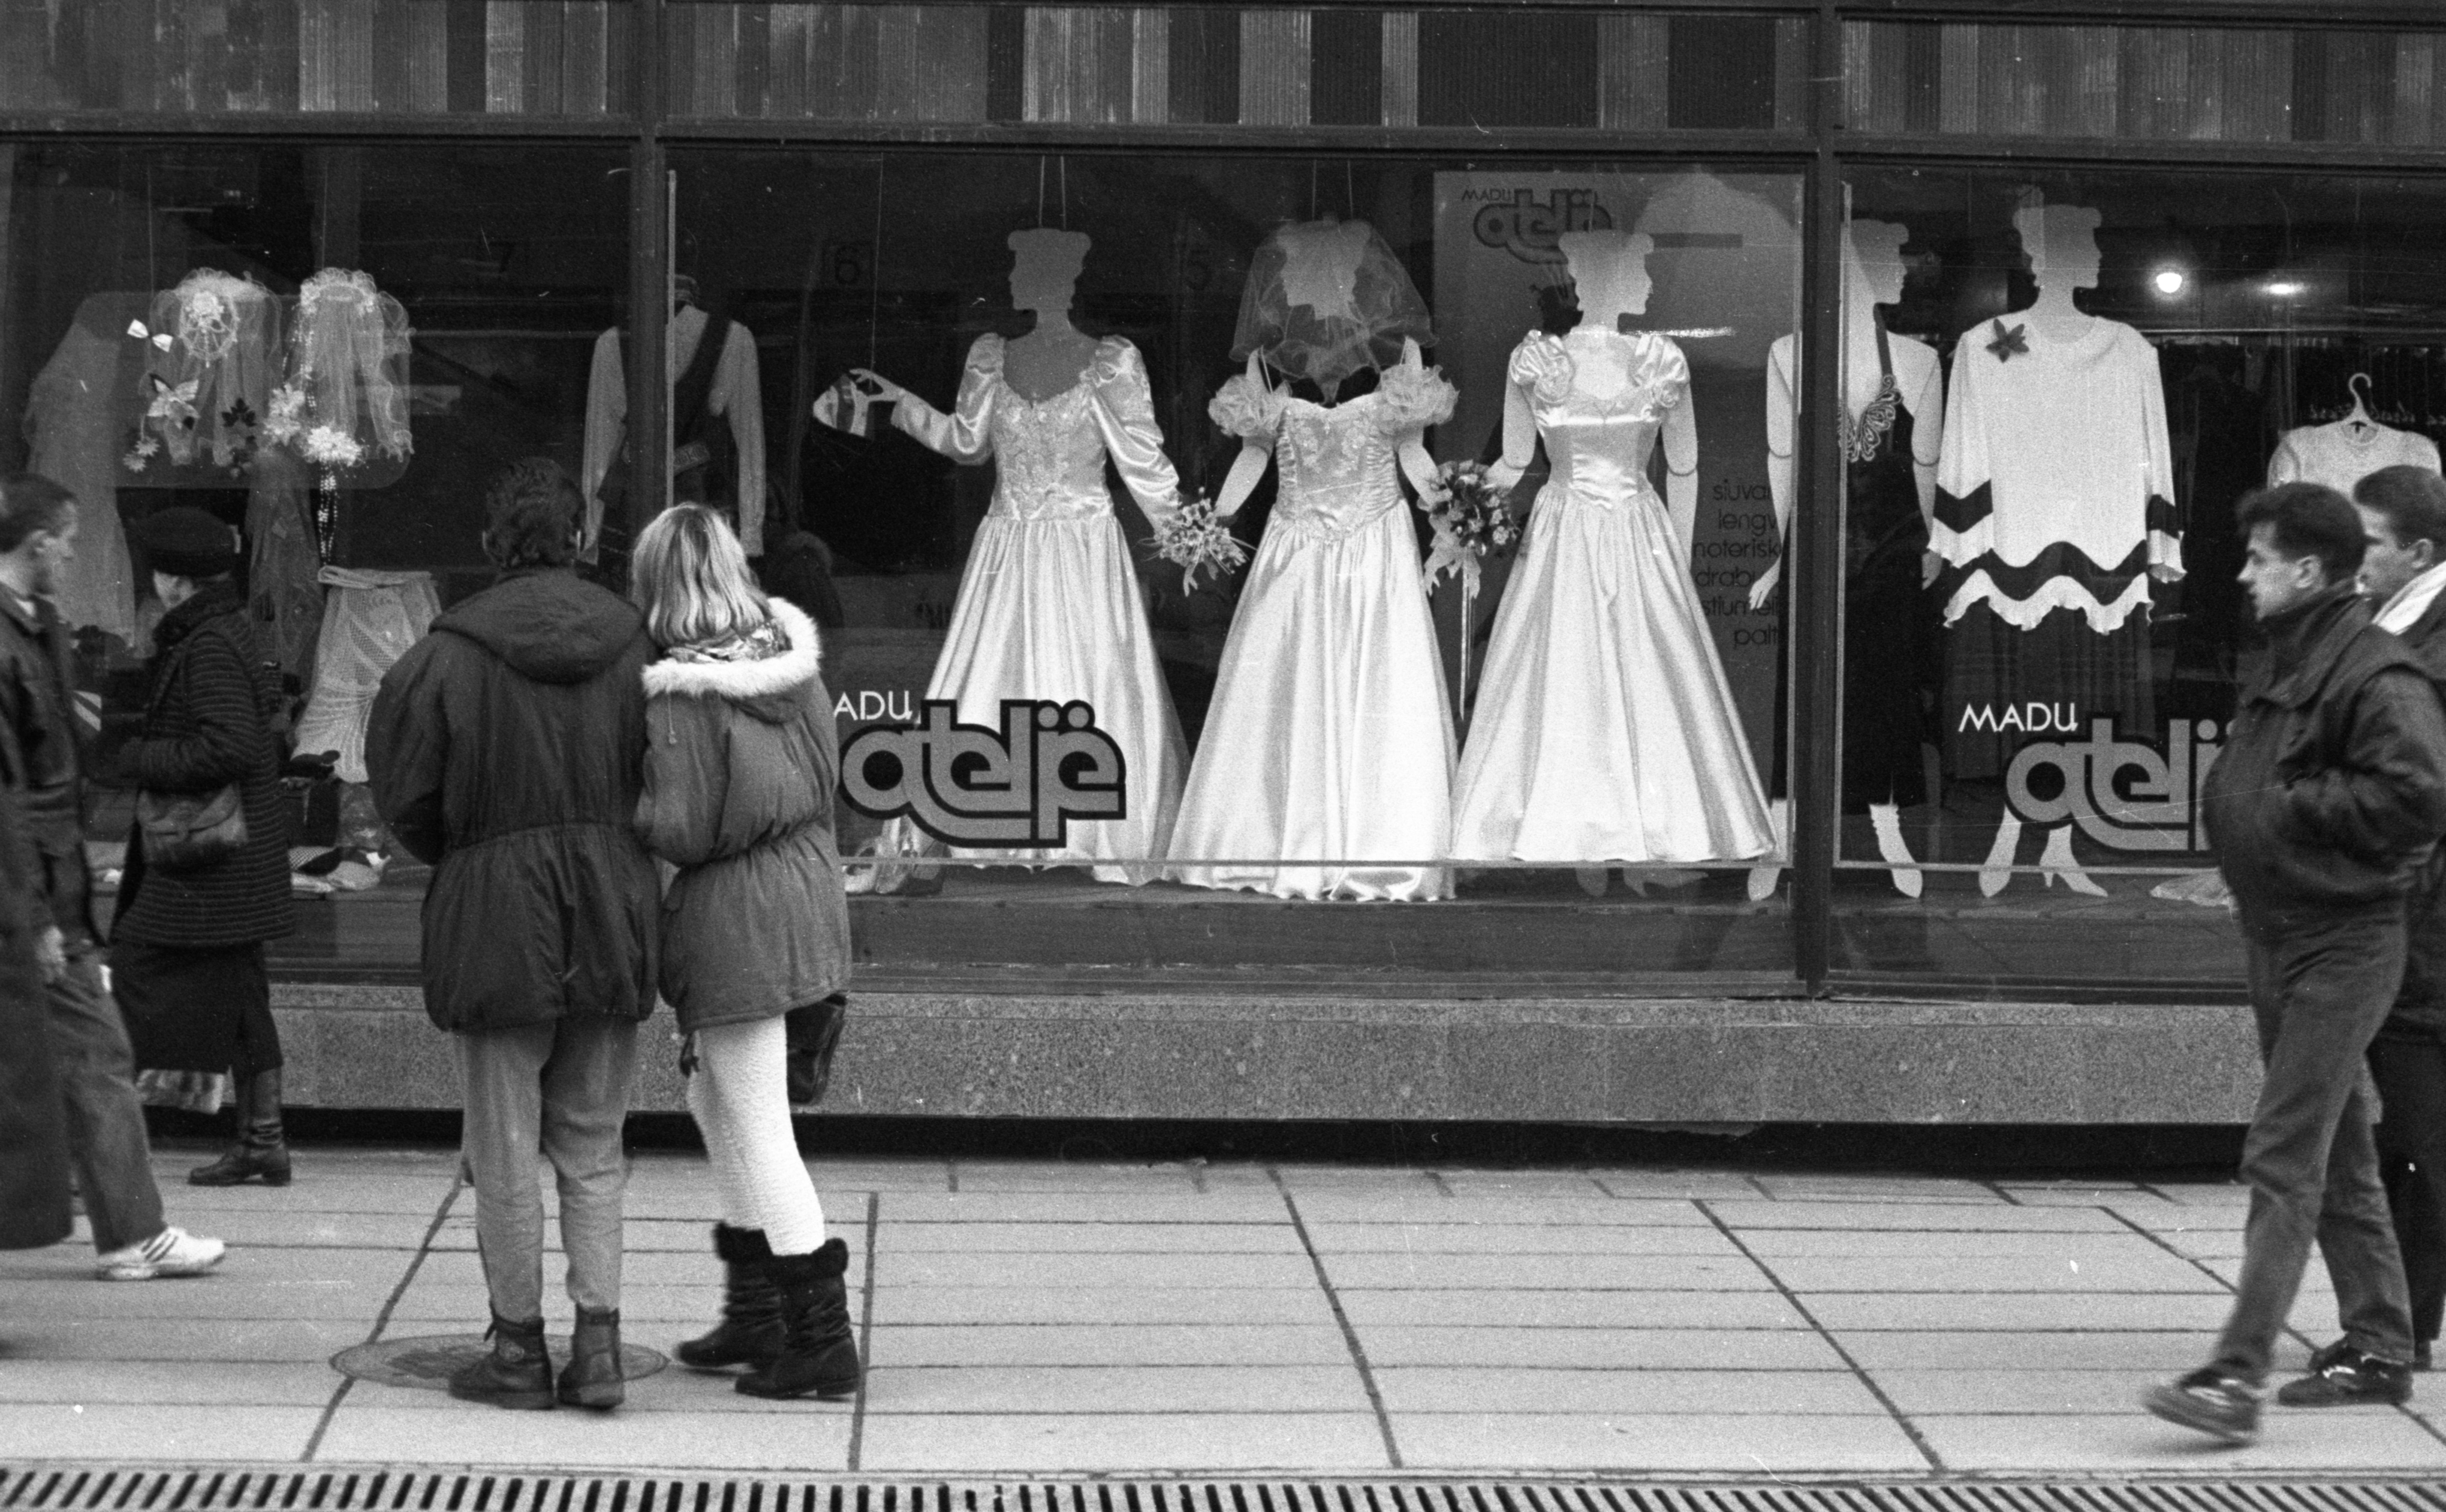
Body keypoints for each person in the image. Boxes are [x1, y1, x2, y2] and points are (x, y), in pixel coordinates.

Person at [2146, 480, 2446, 1443]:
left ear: (2308, 570)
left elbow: (2416, 799)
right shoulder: (2302, 653)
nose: (2243, 575)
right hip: (2283, 932)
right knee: (2339, 1149)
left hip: (2341, 942)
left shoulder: (2375, 674)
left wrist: (2282, 812)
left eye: (2259, 559)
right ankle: (2380, 1343)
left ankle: (2232, 1378)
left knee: (2283, 1151)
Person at [368, 458, 658, 1412]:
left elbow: (405, 794)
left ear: (493, 544)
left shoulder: (446, 653)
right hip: (610, 904)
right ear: (580, 539)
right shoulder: (634, 642)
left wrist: (472, 853)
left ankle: (519, 1348)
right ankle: (600, 1344)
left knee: (502, 1147)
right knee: (594, 1140)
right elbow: (667, 776)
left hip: (494, 910)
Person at [629, 503, 860, 1400]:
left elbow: (682, 828)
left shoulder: (684, 694)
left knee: (759, 1120)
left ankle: (820, 1337)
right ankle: (756, 1310)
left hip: (735, 913)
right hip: (805, 890)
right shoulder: (790, 661)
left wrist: (630, 810)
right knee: (713, 1094)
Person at [0, 485, 227, 1276]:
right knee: (96, 1051)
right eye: (65, 539)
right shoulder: (15, 637)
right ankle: (134, 1230)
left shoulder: (34, 627)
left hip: (41, 888)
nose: (73, 553)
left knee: (90, 1054)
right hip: (30, 897)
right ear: (36, 542)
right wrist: (38, 915)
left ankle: (133, 1229)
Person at [111, 502, 296, 1193]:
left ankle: (91, 1140)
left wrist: (140, 758)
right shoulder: (224, 630)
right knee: (244, 994)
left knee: (132, 971)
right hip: (232, 863)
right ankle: (263, 1141)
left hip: (210, 864)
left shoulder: (209, 644)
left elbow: (230, 747)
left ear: (171, 580)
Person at [2352, 463, 2446, 1371]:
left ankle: (2390, 1329)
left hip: (2421, 920)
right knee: (2409, 1139)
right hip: (2409, 915)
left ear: (2416, 552)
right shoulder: (2395, 623)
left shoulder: (2426, 642)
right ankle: (2403, 1323)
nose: (2354, 555)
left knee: (2419, 1130)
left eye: (2368, 541)